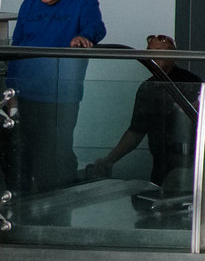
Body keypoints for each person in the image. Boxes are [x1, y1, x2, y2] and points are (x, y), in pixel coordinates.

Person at [9, 0, 105, 195]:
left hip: (61, 94)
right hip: (26, 91)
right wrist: (9, 89)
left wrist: (85, 36)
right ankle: (24, 204)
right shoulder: (29, 4)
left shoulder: (84, 1)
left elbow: (96, 27)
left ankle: (58, 204)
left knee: (55, 152)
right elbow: (15, 47)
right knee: (22, 151)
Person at [82, 35, 198, 190]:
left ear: (173, 54)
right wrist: (109, 159)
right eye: (149, 52)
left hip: (188, 163)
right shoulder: (148, 87)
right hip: (159, 163)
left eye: (158, 51)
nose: (153, 57)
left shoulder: (191, 82)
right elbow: (136, 131)